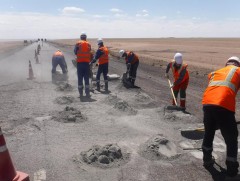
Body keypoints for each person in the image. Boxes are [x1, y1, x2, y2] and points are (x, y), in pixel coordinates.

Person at [201, 56, 240, 177]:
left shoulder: (216, 72)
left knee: (209, 132)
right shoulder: (238, 71)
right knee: (231, 137)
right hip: (223, 105)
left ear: (226, 64)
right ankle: (232, 168)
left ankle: (207, 160)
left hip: (207, 103)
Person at [74, 32, 92, 98]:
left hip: (80, 64)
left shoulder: (78, 43)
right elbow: (89, 52)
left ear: (80, 37)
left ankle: (81, 93)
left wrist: (79, 55)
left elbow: (75, 52)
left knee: (80, 78)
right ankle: (87, 93)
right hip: (87, 64)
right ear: (85, 37)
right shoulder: (89, 44)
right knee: (86, 78)